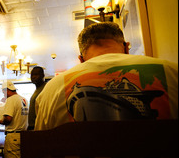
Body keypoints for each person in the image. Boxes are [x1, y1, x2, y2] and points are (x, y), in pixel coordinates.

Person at [35, 22, 178, 131]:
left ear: (81, 59)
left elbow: (42, 148)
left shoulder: (51, 90)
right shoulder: (172, 71)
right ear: (127, 48)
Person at [27, 66, 46, 130]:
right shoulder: (37, 90)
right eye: (32, 75)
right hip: (33, 126)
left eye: (36, 74)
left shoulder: (45, 88)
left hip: (39, 127)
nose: (33, 77)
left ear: (43, 75)